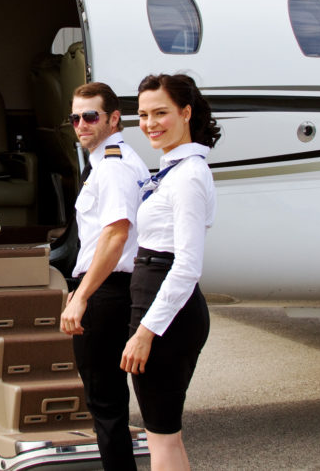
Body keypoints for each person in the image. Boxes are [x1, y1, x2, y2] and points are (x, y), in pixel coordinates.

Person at [120, 73, 220, 471]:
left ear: (186, 113)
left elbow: (187, 266)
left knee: (160, 438)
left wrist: (146, 332)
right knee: (166, 435)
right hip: (157, 305)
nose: (150, 124)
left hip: (167, 316)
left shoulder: (190, 176)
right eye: (143, 115)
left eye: (161, 112)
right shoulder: (173, 171)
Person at [60, 82, 149, 470]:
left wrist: (81, 295)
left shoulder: (111, 167)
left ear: (114, 119)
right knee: (113, 403)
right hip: (119, 287)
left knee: (105, 404)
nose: (81, 124)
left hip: (107, 292)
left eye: (90, 116)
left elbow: (115, 234)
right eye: (75, 117)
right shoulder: (115, 160)